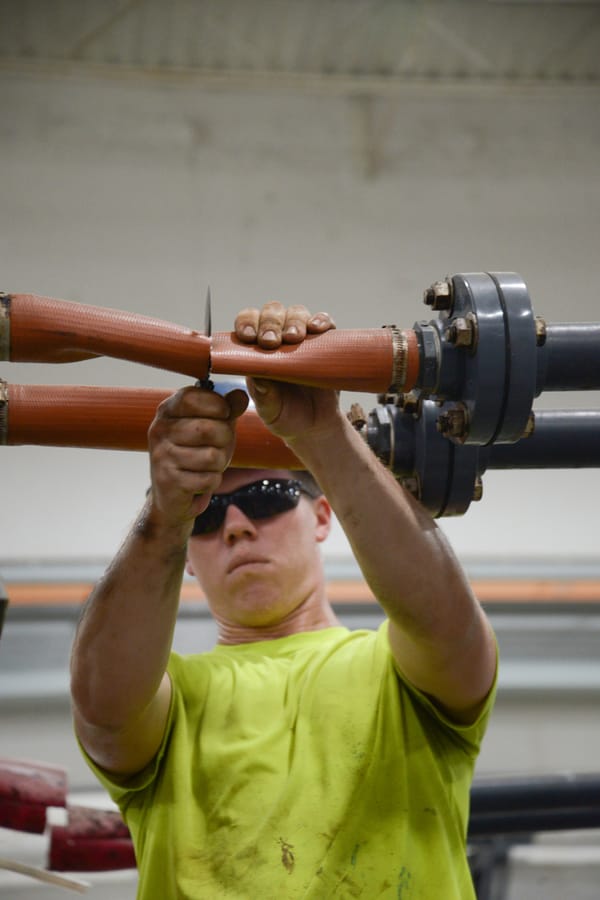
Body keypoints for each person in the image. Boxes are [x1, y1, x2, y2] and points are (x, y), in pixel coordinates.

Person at [70, 302, 498, 899]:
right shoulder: (173, 703)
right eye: (207, 513)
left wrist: (324, 433)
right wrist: (165, 516)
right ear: (188, 559)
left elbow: (450, 630)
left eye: (268, 496)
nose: (238, 525)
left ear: (322, 517)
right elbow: (103, 710)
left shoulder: (397, 673)